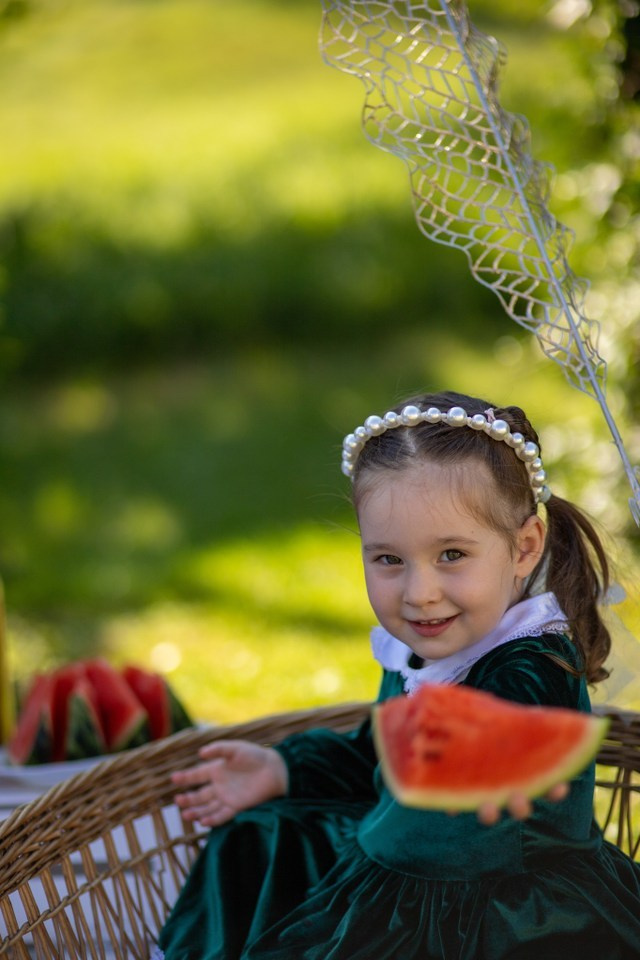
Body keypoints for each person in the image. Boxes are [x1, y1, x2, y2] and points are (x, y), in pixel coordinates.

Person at [152, 389, 640, 960]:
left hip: (505, 917)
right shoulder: (423, 651)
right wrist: (285, 767)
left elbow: (450, 813)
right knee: (261, 836)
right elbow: (384, 752)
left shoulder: (531, 670)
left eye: (452, 555)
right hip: (405, 862)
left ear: (524, 547)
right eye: (389, 559)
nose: (419, 594)